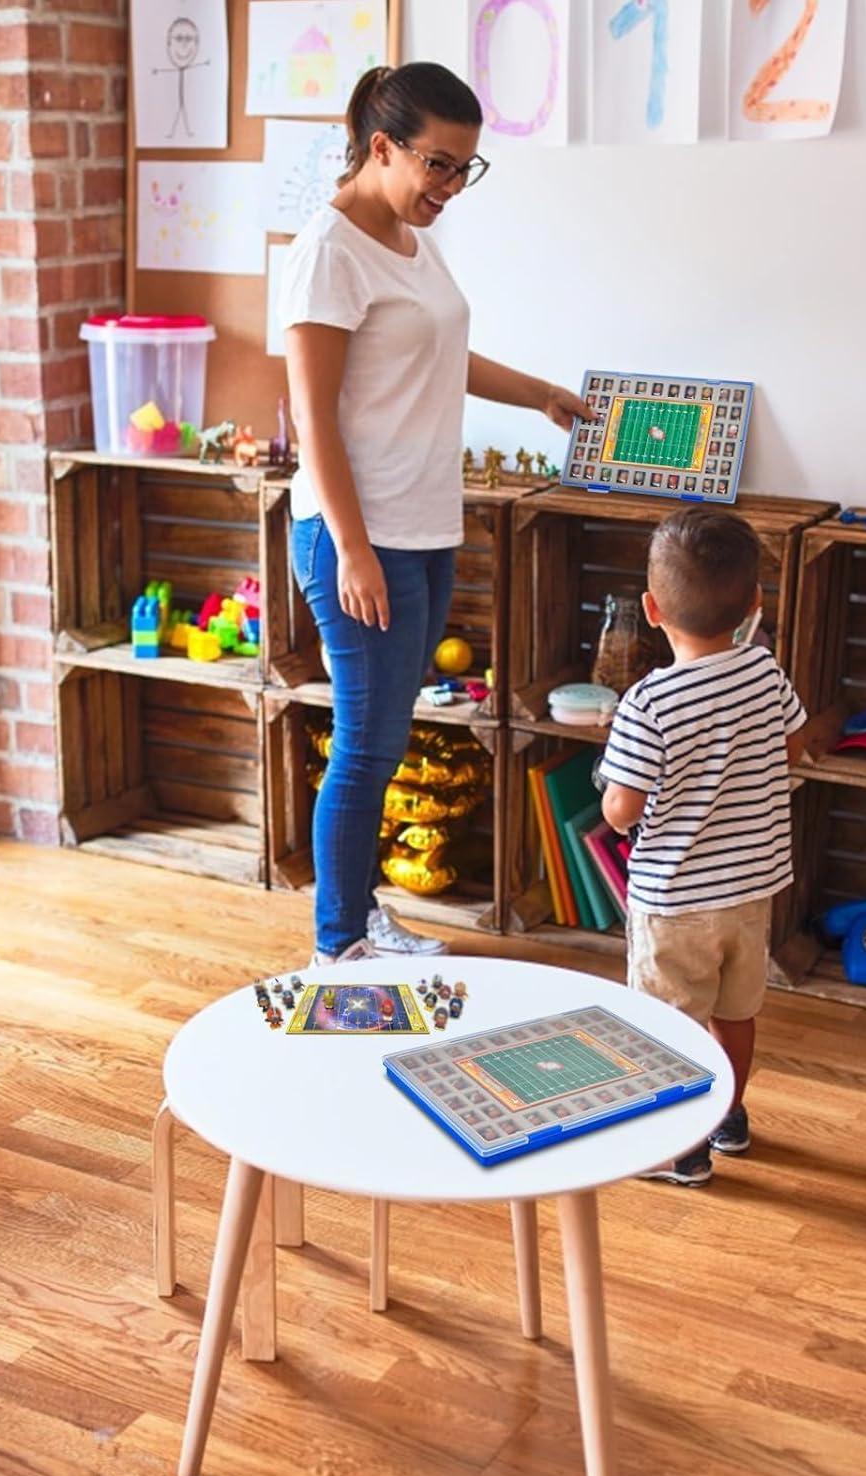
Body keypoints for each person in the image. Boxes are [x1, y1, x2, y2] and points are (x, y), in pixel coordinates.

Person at [279, 62, 591, 966]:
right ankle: (337, 943)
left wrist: (536, 393)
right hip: (359, 536)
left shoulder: (410, 239)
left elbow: (438, 346)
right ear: (383, 148)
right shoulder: (326, 255)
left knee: (386, 732)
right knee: (368, 745)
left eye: (466, 169)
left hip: (423, 528)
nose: (451, 188)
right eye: (439, 166)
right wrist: (352, 550)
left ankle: (359, 917)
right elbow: (314, 420)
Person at [598, 510, 809, 1186]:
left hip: (675, 902)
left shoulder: (647, 703)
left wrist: (612, 799)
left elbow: (623, 808)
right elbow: (792, 747)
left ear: (652, 610)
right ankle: (728, 1117)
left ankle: (676, 1149)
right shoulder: (765, 675)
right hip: (751, 893)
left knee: (665, 1024)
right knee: (735, 1012)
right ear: (753, 605)